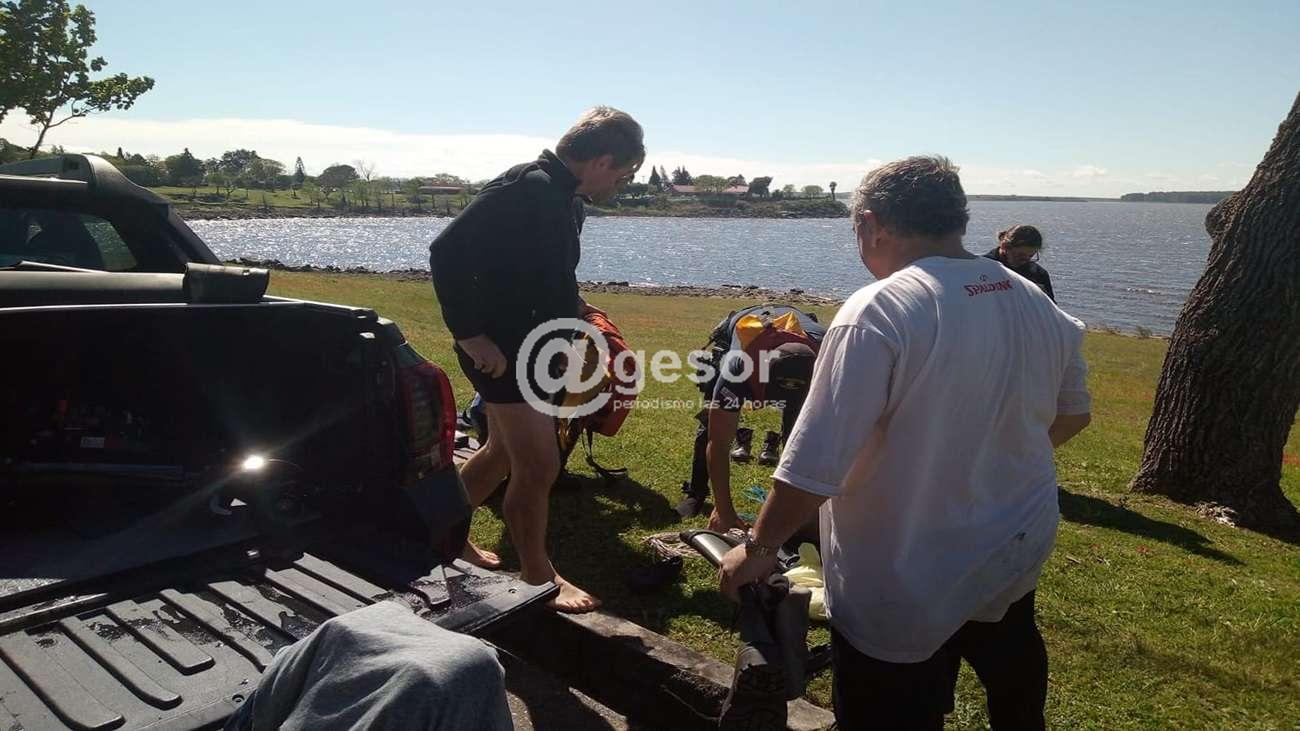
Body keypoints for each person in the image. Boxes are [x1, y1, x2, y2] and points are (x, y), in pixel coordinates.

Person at [719, 156, 1092, 728]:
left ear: (871, 224)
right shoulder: (1032, 298)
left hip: (905, 565)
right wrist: (982, 460)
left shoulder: (882, 308)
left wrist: (760, 548)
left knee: (891, 704)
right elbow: (1073, 415)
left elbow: (815, 462)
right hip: (1012, 542)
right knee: (1010, 662)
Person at [429, 106, 644, 613]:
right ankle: (538, 575)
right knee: (539, 464)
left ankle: (445, 536)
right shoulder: (526, 186)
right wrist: (470, 335)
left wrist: (577, 312)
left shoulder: (567, 200)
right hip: (503, 353)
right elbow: (446, 251)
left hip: (536, 348)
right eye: (622, 175)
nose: (620, 185)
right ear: (602, 161)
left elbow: (542, 273)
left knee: (500, 454)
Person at [676, 304, 825, 532]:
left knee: (797, 432)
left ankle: (791, 499)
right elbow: (719, 443)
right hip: (745, 326)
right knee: (710, 425)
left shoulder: (830, 360)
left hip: (807, 343)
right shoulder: (738, 367)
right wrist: (723, 510)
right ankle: (696, 492)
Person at [985, 224, 1055, 301]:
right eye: (1020, 255)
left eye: (1031, 256)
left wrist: (1042, 296)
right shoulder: (982, 268)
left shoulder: (1038, 274)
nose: (1025, 261)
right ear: (1004, 246)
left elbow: (1051, 307)